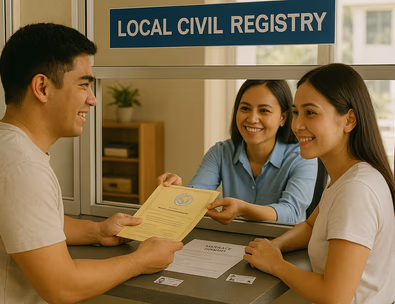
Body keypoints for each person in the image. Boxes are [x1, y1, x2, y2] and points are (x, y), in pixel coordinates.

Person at [0, 23, 183, 304]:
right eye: (84, 85)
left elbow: (29, 222)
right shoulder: (24, 169)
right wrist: (142, 260)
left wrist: (96, 231)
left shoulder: (9, 148)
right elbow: (63, 287)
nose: (93, 100)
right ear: (42, 88)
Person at [244, 64, 395, 303]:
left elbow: (334, 296)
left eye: (311, 113)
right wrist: (275, 246)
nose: (297, 125)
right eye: (295, 112)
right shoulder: (346, 177)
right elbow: (312, 226)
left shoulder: (356, 191)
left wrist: (276, 264)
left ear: (349, 120)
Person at [158, 80, 318, 224]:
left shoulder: (302, 156)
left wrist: (244, 209)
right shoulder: (220, 152)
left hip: (283, 246)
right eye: (245, 109)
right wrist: (178, 191)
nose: (252, 118)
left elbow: (292, 213)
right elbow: (198, 196)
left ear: (283, 118)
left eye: (264, 111)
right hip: (232, 242)